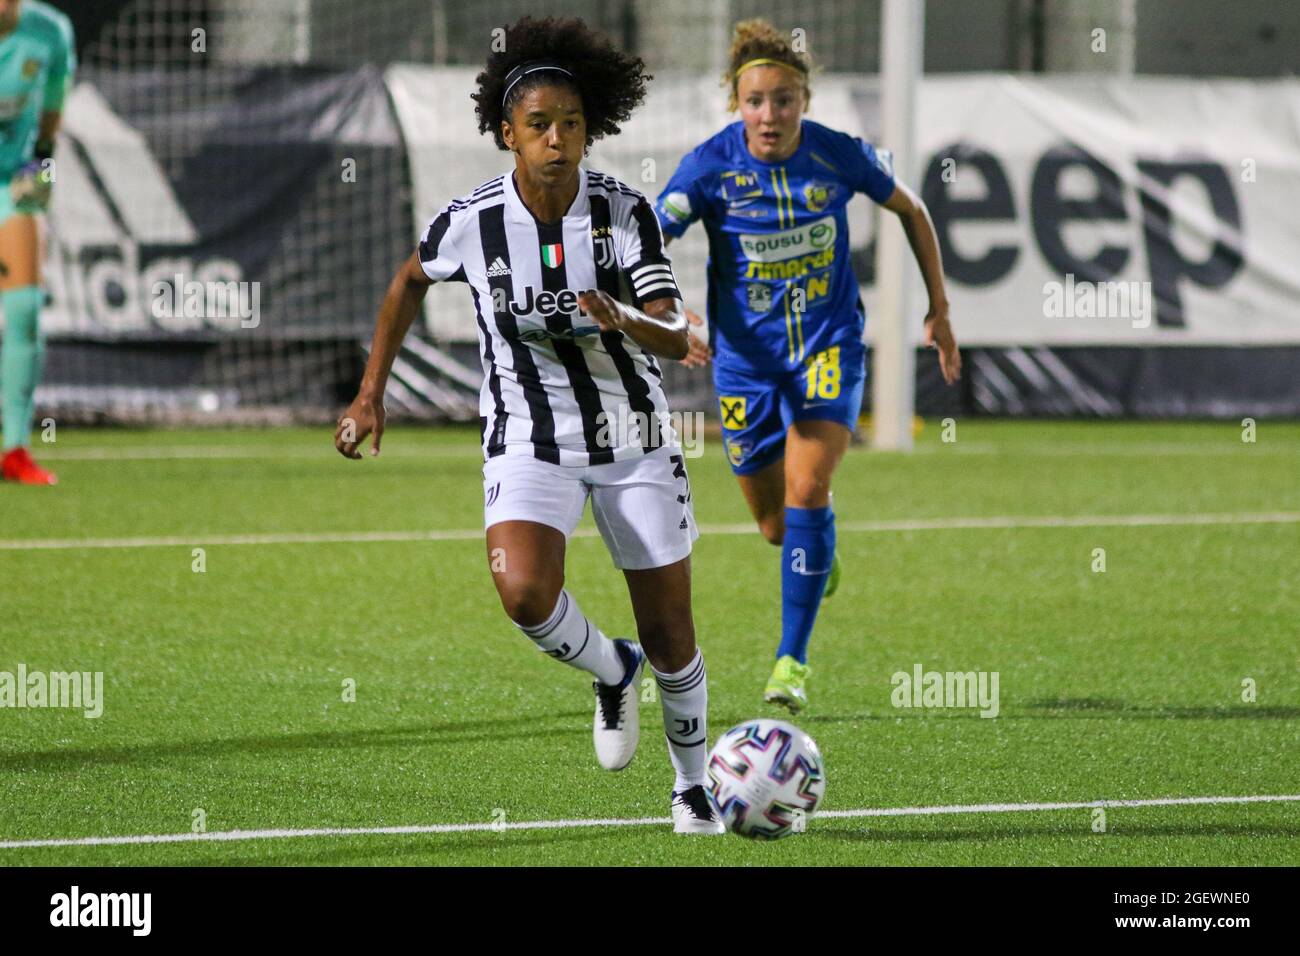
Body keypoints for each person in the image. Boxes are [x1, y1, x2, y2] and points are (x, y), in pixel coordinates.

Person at [335, 16, 723, 834]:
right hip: (525, 435)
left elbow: (676, 330)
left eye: (572, 124)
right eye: (539, 125)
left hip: (634, 440)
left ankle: (692, 786)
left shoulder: (624, 214)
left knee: (671, 628)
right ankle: (610, 668)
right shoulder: (470, 221)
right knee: (522, 592)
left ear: (590, 130)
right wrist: (371, 393)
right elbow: (408, 282)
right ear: (506, 133)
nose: (557, 139)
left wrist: (618, 314)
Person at [656, 19, 960, 712]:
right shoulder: (709, 167)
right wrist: (671, 313)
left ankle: (791, 661)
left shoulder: (838, 156)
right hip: (743, 365)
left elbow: (911, 209)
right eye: (756, 100)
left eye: (785, 99)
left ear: (806, 101)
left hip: (828, 348)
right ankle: (817, 548)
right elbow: (650, 236)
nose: (770, 115)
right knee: (773, 526)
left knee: (808, 484)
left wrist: (938, 307)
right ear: (737, 103)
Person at [0, 0, 75, 485]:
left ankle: (14, 448)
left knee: (25, 306)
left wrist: (38, 189)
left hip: (15, 182)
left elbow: (50, 117)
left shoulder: (50, 32)